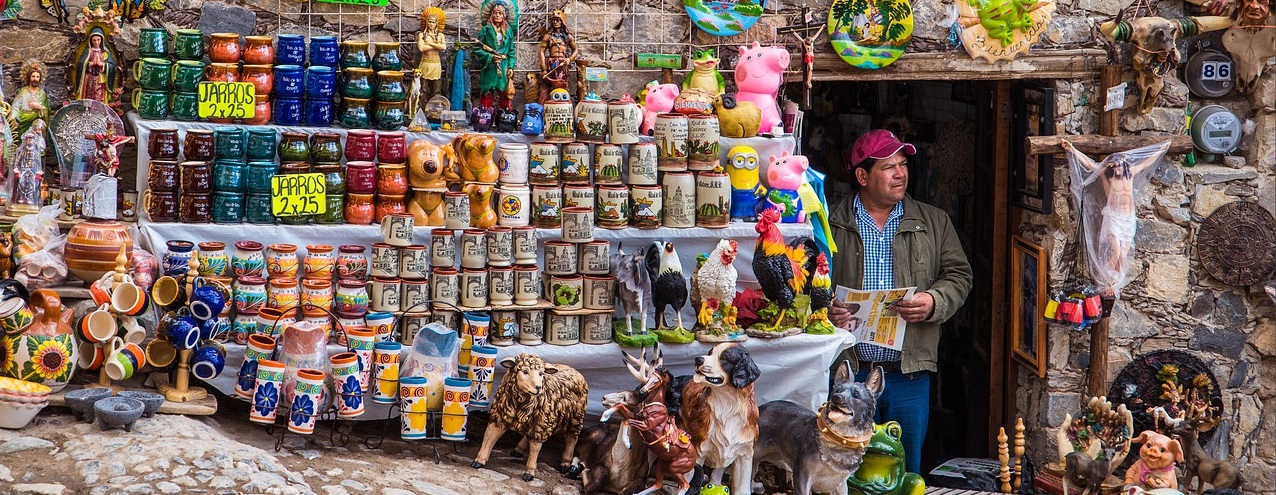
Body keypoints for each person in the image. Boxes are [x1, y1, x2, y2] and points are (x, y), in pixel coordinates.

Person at [827, 129, 973, 474]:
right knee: (844, 468)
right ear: (862, 176)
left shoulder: (933, 222)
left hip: (907, 375)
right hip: (849, 373)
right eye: (888, 167)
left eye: (903, 164)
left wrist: (933, 300)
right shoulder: (831, 223)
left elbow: (960, 275)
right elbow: (807, 285)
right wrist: (825, 312)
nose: (900, 173)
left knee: (904, 469)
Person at [474, 0, 517, 111]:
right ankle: (485, 117)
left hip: (503, 67)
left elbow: (511, 51)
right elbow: (477, 48)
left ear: (504, 16)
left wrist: (511, 66)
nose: (497, 15)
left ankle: (505, 117)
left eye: (500, 13)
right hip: (489, 68)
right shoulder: (486, 30)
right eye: (495, 13)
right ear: (491, 14)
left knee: (505, 94)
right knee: (486, 93)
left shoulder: (508, 32)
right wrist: (490, 57)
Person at [9, 59, 50, 142]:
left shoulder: (42, 94)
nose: (35, 79)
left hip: (36, 123)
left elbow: (47, 110)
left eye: (37, 77)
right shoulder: (23, 92)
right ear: (29, 77)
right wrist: (13, 119)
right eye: (33, 76)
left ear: (40, 79)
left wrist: (39, 107)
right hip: (22, 121)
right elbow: (16, 107)